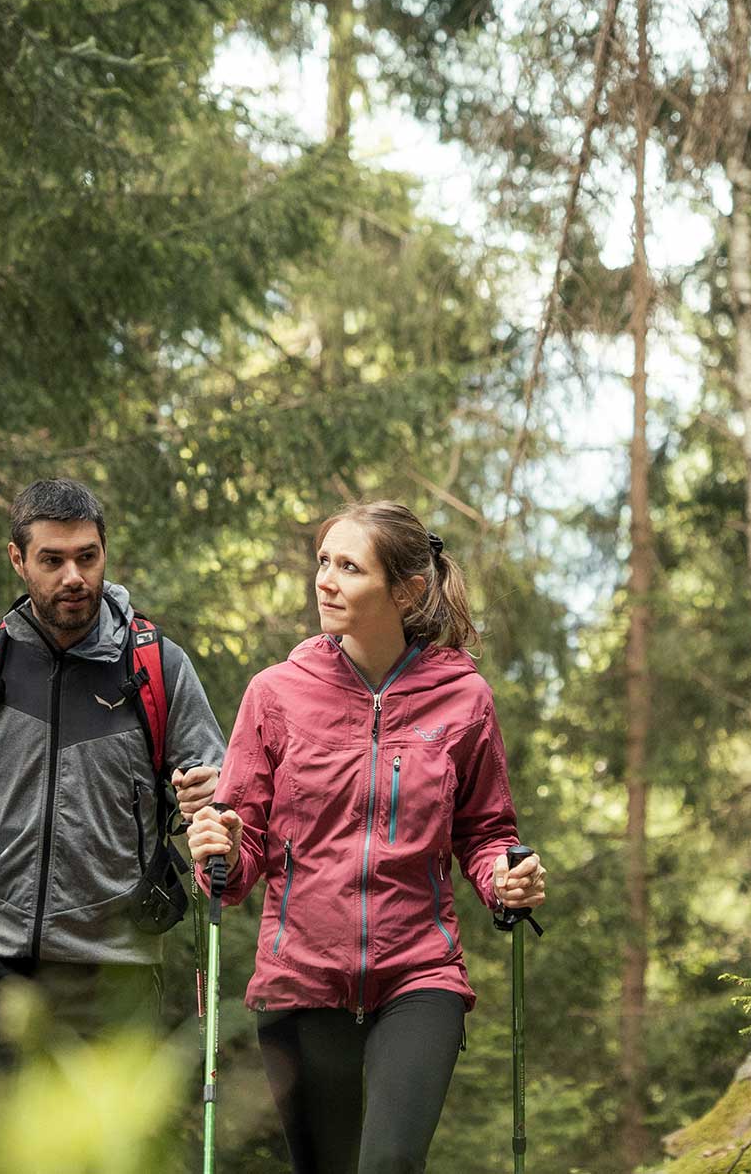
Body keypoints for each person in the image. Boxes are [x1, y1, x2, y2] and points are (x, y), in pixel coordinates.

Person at [190, 500, 548, 1174]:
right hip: (301, 976)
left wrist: (506, 875)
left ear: (406, 589)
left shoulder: (463, 698)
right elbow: (240, 857)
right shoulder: (275, 695)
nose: (323, 579)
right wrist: (220, 845)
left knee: (389, 1162)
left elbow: (484, 829)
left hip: (419, 972)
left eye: (347, 566)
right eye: (322, 561)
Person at [0, 478, 224, 1070]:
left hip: (114, 972)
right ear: (18, 560)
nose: (74, 577)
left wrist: (208, 795)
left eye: (87, 557)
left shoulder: (154, 665)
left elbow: (218, 784)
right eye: (53, 560)